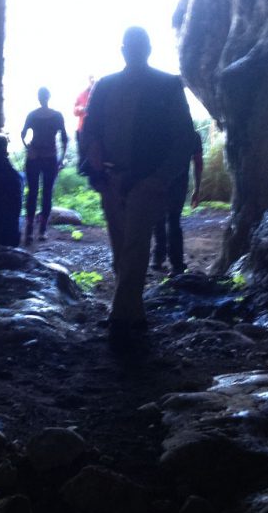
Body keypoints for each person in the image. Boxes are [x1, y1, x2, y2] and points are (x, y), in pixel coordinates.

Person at [83, 26, 197, 340]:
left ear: (146, 49)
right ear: (123, 49)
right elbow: (90, 128)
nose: (133, 50)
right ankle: (134, 312)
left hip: (146, 180)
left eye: (137, 45)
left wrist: (160, 178)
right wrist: (93, 152)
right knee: (122, 248)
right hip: (110, 177)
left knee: (134, 245)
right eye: (130, 46)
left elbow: (184, 137)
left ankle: (120, 318)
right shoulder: (105, 86)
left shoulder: (167, 85)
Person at [20, 87, 68, 243]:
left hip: (36, 157)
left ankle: (31, 228)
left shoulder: (33, 115)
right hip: (49, 157)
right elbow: (64, 139)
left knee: (33, 192)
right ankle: (40, 229)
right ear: (49, 97)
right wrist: (61, 159)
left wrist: (29, 149)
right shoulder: (57, 116)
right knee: (46, 192)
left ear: (39, 97)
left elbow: (22, 135)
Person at [152, 136, 204, 277]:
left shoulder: (161, 130)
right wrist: (197, 189)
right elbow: (198, 162)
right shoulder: (191, 135)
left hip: (158, 180)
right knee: (173, 221)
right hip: (178, 184)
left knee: (158, 218)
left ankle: (158, 256)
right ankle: (176, 264)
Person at [73, 75, 96, 172]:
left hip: (96, 130)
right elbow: (75, 111)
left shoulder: (101, 93)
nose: (92, 81)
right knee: (83, 154)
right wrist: (81, 108)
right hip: (82, 129)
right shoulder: (82, 95)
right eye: (91, 79)